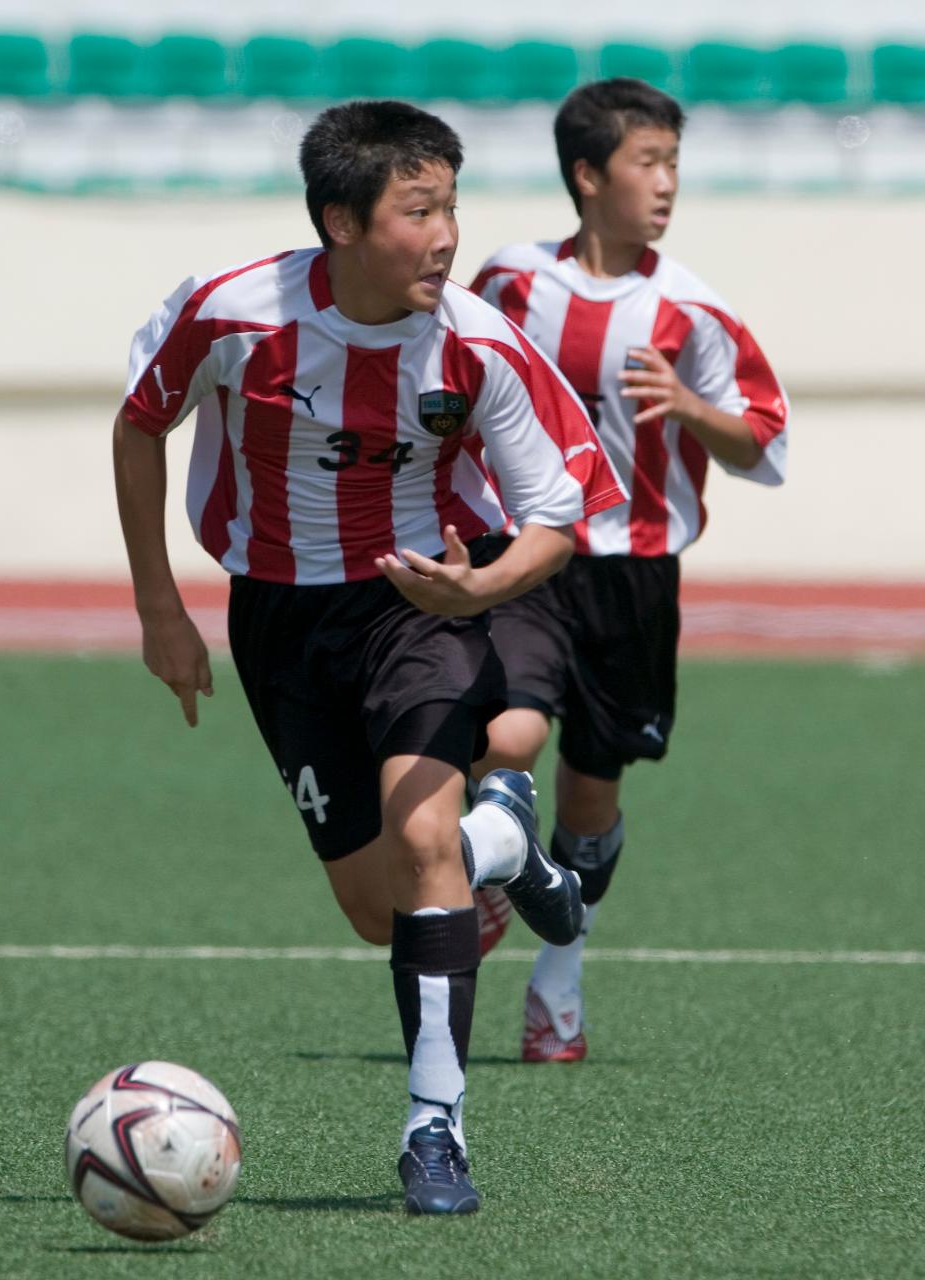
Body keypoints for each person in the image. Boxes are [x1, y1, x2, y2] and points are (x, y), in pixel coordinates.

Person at [112, 100, 624, 1214]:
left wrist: (480, 587)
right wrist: (159, 605)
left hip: (416, 607)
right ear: (341, 222)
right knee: (374, 903)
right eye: (417, 209)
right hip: (277, 621)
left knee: (422, 835)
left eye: (450, 206)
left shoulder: (478, 343)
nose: (444, 234)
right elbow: (139, 422)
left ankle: (432, 1129)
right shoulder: (232, 313)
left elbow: (558, 512)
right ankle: (510, 846)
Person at [469, 78, 789, 1062]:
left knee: (593, 796)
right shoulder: (511, 282)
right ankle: (483, 871)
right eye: (648, 163)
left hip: (636, 571)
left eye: (673, 165)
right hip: (531, 551)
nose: (666, 184)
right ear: (585, 175)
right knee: (504, 726)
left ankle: (556, 967)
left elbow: (761, 441)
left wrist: (693, 410)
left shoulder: (691, 308)